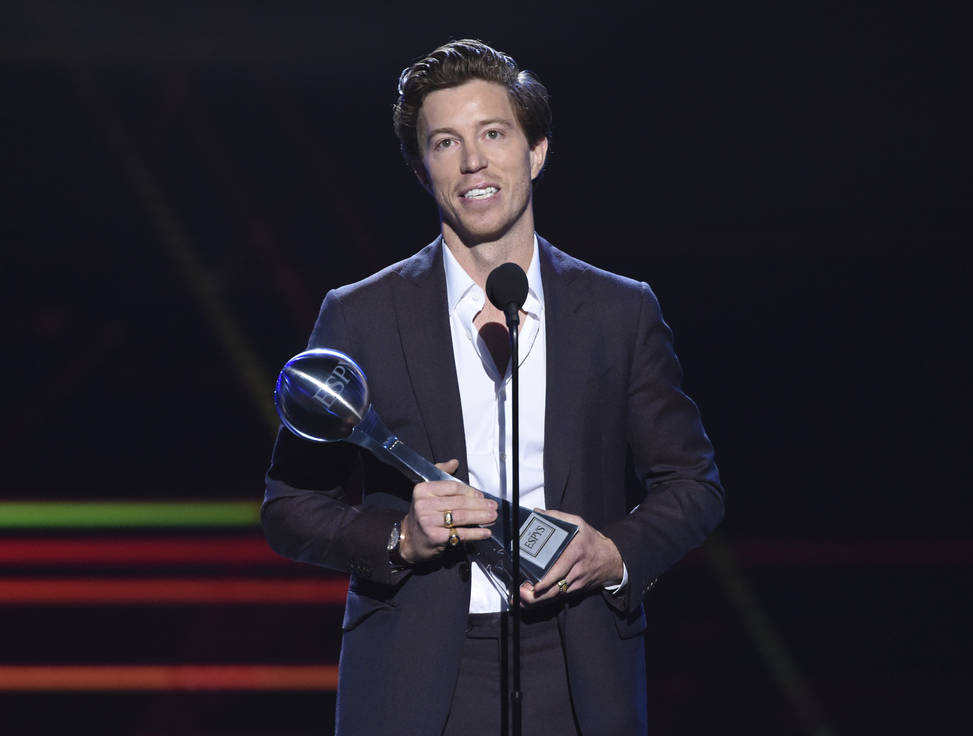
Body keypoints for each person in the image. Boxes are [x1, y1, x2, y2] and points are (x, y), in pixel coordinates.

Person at [262, 38, 724, 736]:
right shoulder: (359, 313)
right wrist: (398, 538)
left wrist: (614, 551)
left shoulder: (619, 311)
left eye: (493, 133)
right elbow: (290, 509)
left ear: (535, 151)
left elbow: (693, 485)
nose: (473, 160)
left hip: (580, 664)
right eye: (445, 142)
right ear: (422, 169)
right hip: (415, 674)